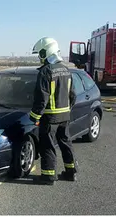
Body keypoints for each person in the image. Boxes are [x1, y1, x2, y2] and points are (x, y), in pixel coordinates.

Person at [30, 37, 77, 185]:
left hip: (50, 118)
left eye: (40, 53)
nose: (39, 57)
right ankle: (71, 173)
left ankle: (49, 176)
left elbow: (41, 97)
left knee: (48, 145)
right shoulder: (66, 70)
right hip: (65, 116)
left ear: (46, 52)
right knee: (66, 143)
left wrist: (35, 116)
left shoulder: (46, 71)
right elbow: (73, 95)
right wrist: (67, 110)